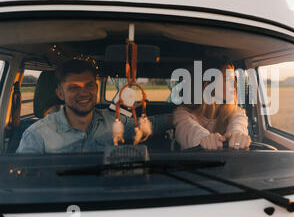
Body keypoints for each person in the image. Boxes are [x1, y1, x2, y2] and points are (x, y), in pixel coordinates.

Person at [16, 60, 171, 154]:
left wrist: (180, 116)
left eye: (89, 85)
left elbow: (149, 125)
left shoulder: (113, 122)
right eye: (74, 87)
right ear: (60, 93)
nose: (84, 93)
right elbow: (22, 182)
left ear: (96, 89)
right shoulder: (37, 135)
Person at [173, 58, 251, 151]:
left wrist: (237, 137)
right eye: (228, 80)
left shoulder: (236, 112)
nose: (235, 84)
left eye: (234, 79)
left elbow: (238, 125)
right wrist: (204, 139)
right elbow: (188, 129)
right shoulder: (182, 113)